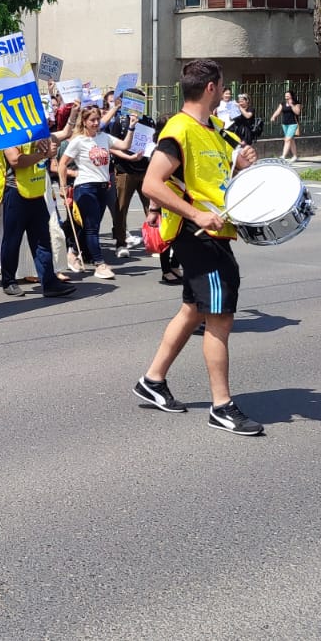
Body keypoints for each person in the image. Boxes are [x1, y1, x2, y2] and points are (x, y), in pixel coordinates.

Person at [134, 59, 264, 437]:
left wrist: (240, 166)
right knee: (220, 318)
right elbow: (152, 183)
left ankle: (153, 380)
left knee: (193, 310)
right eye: (221, 86)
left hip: (215, 232)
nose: (224, 91)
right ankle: (221, 406)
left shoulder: (215, 130)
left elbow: (214, 183)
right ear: (210, 88)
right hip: (197, 235)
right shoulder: (179, 129)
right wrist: (196, 215)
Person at [0, 133, 75, 298]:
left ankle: (49, 283)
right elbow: (15, 160)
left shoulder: (35, 130)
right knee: (12, 241)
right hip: (15, 192)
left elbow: (62, 134)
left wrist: (52, 144)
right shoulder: (8, 131)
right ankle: (8, 281)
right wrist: (43, 154)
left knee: (42, 241)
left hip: (36, 192)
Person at [60, 105, 133, 280]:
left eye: (97, 119)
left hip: (103, 187)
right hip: (85, 187)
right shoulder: (78, 141)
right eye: (92, 120)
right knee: (92, 228)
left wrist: (131, 127)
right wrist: (63, 187)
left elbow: (125, 145)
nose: (95, 123)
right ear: (84, 121)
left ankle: (73, 252)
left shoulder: (104, 137)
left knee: (90, 226)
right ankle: (99, 264)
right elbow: (62, 163)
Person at [270, 90, 302, 162]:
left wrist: (292, 105)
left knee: (287, 139)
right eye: (285, 96)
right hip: (285, 124)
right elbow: (278, 111)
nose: (286, 97)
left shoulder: (296, 103)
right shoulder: (283, 103)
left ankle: (283, 156)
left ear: (291, 96)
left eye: (288, 96)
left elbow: (297, 112)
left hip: (293, 124)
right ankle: (295, 156)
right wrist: (274, 116)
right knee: (291, 140)